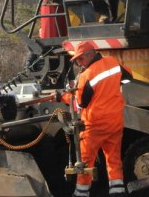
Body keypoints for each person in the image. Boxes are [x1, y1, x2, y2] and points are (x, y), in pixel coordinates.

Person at [58, 41, 133, 197]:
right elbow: (128, 78)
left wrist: (63, 97)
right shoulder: (113, 62)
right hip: (115, 122)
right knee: (113, 158)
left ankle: (81, 192)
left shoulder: (87, 75)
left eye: (80, 59)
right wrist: (112, 86)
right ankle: (117, 191)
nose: (79, 62)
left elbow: (80, 103)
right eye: (77, 60)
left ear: (91, 54)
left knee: (85, 161)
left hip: (95, 125)